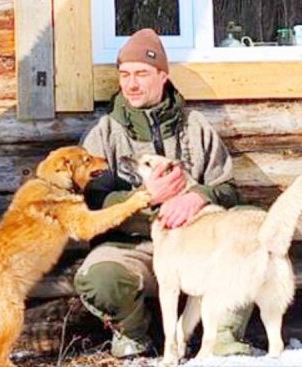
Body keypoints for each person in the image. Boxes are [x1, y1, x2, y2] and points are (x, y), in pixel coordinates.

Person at [74, 28, 252, 358]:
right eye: (124, 74)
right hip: (133, 248)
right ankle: (133, 334)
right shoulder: (105, 133)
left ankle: (225, 334)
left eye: (142, 73)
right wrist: (143, 199)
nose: (132, 84)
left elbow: (229, 190)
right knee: (99, 277)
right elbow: (90, 204)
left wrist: (198, 196)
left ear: (163, 77)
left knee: (249, 227)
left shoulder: (195, 126)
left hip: (197, 247)